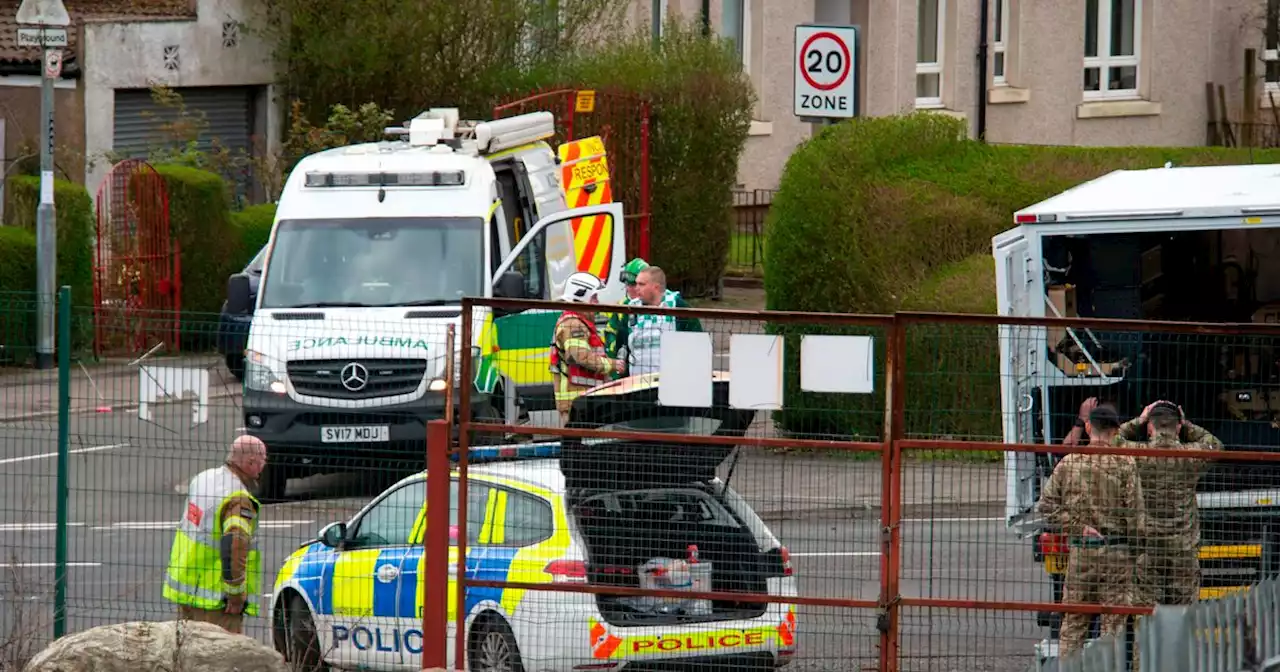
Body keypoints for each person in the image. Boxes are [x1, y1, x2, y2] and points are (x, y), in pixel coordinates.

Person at [1036, 402, 1146, 659]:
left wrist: (1077, 527)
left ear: (1087, 427)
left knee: (1074, 625)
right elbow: (1136, 516)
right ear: (1116, 431)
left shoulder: (1070, 463)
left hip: (1082, 553)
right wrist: (1136, 550)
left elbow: (1047, 506)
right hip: (1117, 553)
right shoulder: (1125, 464)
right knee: (1114, 627)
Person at [1115, 399, 1222, 606]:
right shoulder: (1191, 455)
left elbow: (1112, 439)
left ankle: (1146, 639)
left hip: (1148, 544)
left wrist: (1139, 419)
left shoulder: (1138, 454)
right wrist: (1188, 425)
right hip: (1182, 546)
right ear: (1179, 427)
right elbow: (1215, 444)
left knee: (1146, 611)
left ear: (1149, 427)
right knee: (1182, 610)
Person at [163, 435, 267, 634]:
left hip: (187, 590)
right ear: (250, 462)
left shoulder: (203, 479)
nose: (264, 466)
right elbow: (234, 546)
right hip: (217, 602)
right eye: (263, 461)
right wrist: (235, 594)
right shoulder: (238, 499)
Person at [550, 272, 625, 425]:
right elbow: (579, 356)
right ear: (581, 296)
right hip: (575, 401)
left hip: (583, 399)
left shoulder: (579, 322)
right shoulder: (573, 324)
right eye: (594, 297)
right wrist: (613, 364)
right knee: (577, 446)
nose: (597, 302)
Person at [613, 266, 704, 377]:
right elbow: (621, 345)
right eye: (636, 284)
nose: (636, 288)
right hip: (636, 386)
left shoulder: (678, 307)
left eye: (641, 284)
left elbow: (697, 345)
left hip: (671, 383)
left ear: (656, 287)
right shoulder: (632, 310)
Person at [602, 257, 650, 376]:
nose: (629, 288)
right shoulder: (621, 306)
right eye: (627, 284)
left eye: (633, 284)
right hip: (623, 368)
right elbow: (610, 333)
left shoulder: (658, 304)